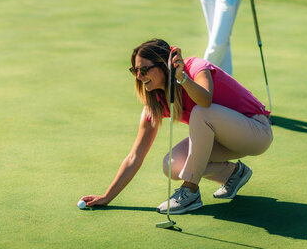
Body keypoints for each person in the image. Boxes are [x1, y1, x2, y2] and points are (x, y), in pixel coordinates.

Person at [79, 39, 272, 214]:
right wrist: (107, 196)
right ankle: (233, 174)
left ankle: (190, 192)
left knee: (200, 112)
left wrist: (182, 78)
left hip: (256, 132)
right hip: (222, 140)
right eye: (135, 70)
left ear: (164, 65)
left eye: (144, 70)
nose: (139, 76)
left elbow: (205, 101)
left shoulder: (196, 67)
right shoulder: (156, 103)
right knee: (172, 165)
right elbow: (134, 156)